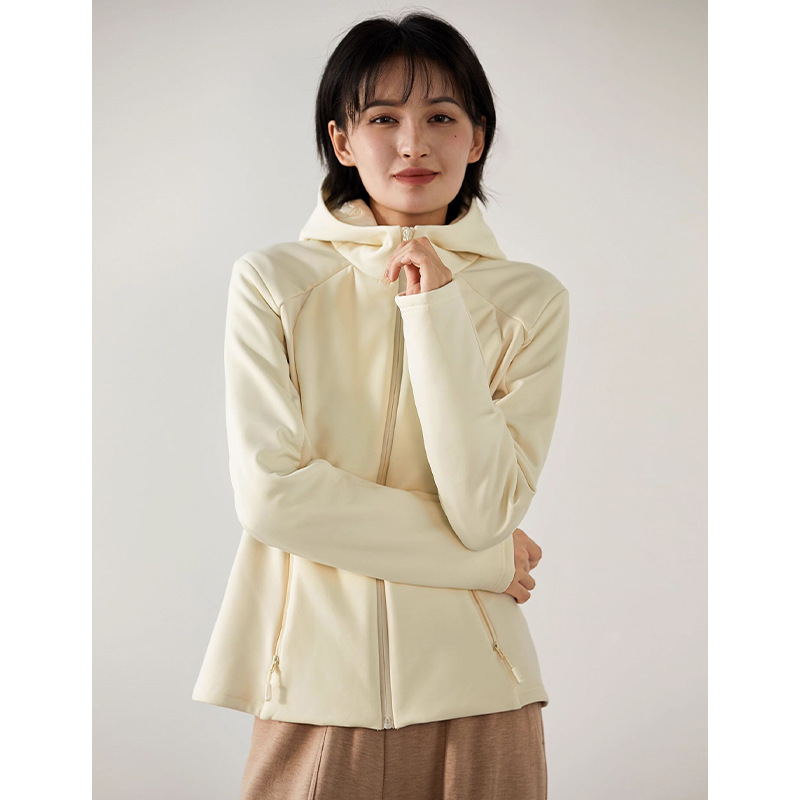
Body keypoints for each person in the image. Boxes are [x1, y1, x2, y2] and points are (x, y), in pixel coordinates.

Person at [192, 10, 570, 799]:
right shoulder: (274, 283)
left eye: (442, 117)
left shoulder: (530, 301)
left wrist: (436, 312)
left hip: (485, 692)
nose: (412, 144)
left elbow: (486, 507)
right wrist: (485, 563)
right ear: (341, 140)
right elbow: (273, 498)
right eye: (383, 118)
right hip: (313, 689)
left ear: (477, 138)